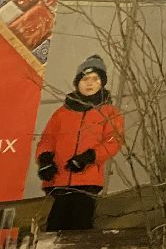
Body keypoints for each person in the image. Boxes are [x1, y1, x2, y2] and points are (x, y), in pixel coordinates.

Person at [35, 54, 125, 232]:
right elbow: (47, 139)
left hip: (87, 179)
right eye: (85, 79)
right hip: (60, 178)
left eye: (95, 79)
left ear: (102, 83)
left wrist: (89, 157)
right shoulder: (62, 113)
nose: (89, 83)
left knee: (80, 225)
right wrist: (45, 160)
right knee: (54, 226)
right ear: (77, 83)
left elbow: (113, 142)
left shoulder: (109, 112)